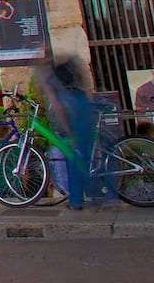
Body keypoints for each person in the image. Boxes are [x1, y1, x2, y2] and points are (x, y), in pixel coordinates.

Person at [37, 58, 106, 210]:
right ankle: (98, 196)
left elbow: (60, 109)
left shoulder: (54, 83)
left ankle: (77, 201)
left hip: (74, 119)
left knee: (75, 161)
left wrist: (67, 132)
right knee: (86, 158)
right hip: (83, 109)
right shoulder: (71, 75)